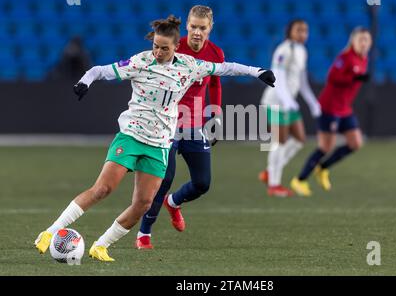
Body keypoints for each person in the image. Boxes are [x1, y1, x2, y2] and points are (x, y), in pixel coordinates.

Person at [34, 15, 275, 262]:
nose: (158, 52)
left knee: (143, 204)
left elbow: (226, 68)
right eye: (155, 46)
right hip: (131, 136)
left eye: (164, 48)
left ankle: (101, 246)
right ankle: (48, 233)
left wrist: (258, 72)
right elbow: (100, 70)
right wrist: (86, 81)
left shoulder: (190, 66)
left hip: (159, 144)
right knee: (102, 189)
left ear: (175, 47)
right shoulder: (140, 62)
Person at [136, 5, 224, 249]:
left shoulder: (216, 53)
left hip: (195, 124)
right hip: (169, 123)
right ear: (186, 26)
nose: (197, 32)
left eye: (202, 28)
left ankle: (173, 202)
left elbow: (215, 84)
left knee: (202, 183)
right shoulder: (174, 47)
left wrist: (215, 115)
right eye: (193, 26)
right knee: (164, 177)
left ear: (210, 28)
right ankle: (144, 233)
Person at [290, 27, 372, 196]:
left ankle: (322, 168)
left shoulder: (364, 59)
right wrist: (354, 78)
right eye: (360, 40)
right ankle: (299, 180)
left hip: (344, 109)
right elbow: (333, 77)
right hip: (329, 107)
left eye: (366, 40)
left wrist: (356, 78)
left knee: (355, 143)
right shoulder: (345, 58)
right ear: (353, 42)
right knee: (326, 147)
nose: (364, 43)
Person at [259, 19, 321, 197]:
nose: (303, 34)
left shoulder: (302, 51)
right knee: (280, 141)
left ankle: (271, 172)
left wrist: (312, 102)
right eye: (299, 30)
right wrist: (287, 101)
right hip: (275, 101)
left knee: (300, 139)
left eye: (305, 30)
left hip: (288, 103)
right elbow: (275, 78)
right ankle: (274, 185)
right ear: (290, 31)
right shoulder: (283, 50)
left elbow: (302, 81)